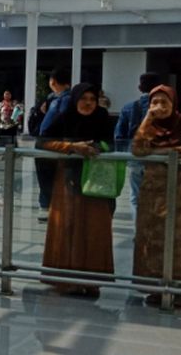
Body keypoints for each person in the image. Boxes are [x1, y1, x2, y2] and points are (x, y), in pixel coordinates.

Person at [131, 85, 181, 309]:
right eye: (155, 102)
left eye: (164, 102)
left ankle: (180, 289)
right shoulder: (149, 124)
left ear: (173, 103)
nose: (160, 107)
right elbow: (137, 149)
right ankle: (155, 288)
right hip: (153, 190)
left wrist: (180, 152)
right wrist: (147, 119)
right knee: (152, 236)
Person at [36, 82, 115, 298]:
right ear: (75, 100)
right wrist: (71, 147)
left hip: (95, 182)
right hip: (68, 181)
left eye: (92, 99)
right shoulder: (64, 117)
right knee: (67, 227)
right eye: (83, 99)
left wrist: (96, 148)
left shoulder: (103, 118)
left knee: (94, 229)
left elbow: (112, 144)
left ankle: (92, 280)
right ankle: (66, 278)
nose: (88, 103)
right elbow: (42, 142)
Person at [114, 72, 160, 219]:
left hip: (135, 156)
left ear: (140, 87)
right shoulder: (165, 110)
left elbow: (119, 136)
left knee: (136, 196)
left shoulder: (129, 107)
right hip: (157, 157)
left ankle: (138, 230)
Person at [35, 67, 73, 222]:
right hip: (57, 143)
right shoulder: (57, 98)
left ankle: (49, 207)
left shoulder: (61, 100)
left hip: (51, 143)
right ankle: (47, 206)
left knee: (48, 177)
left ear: (53, 82)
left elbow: (53, 123)